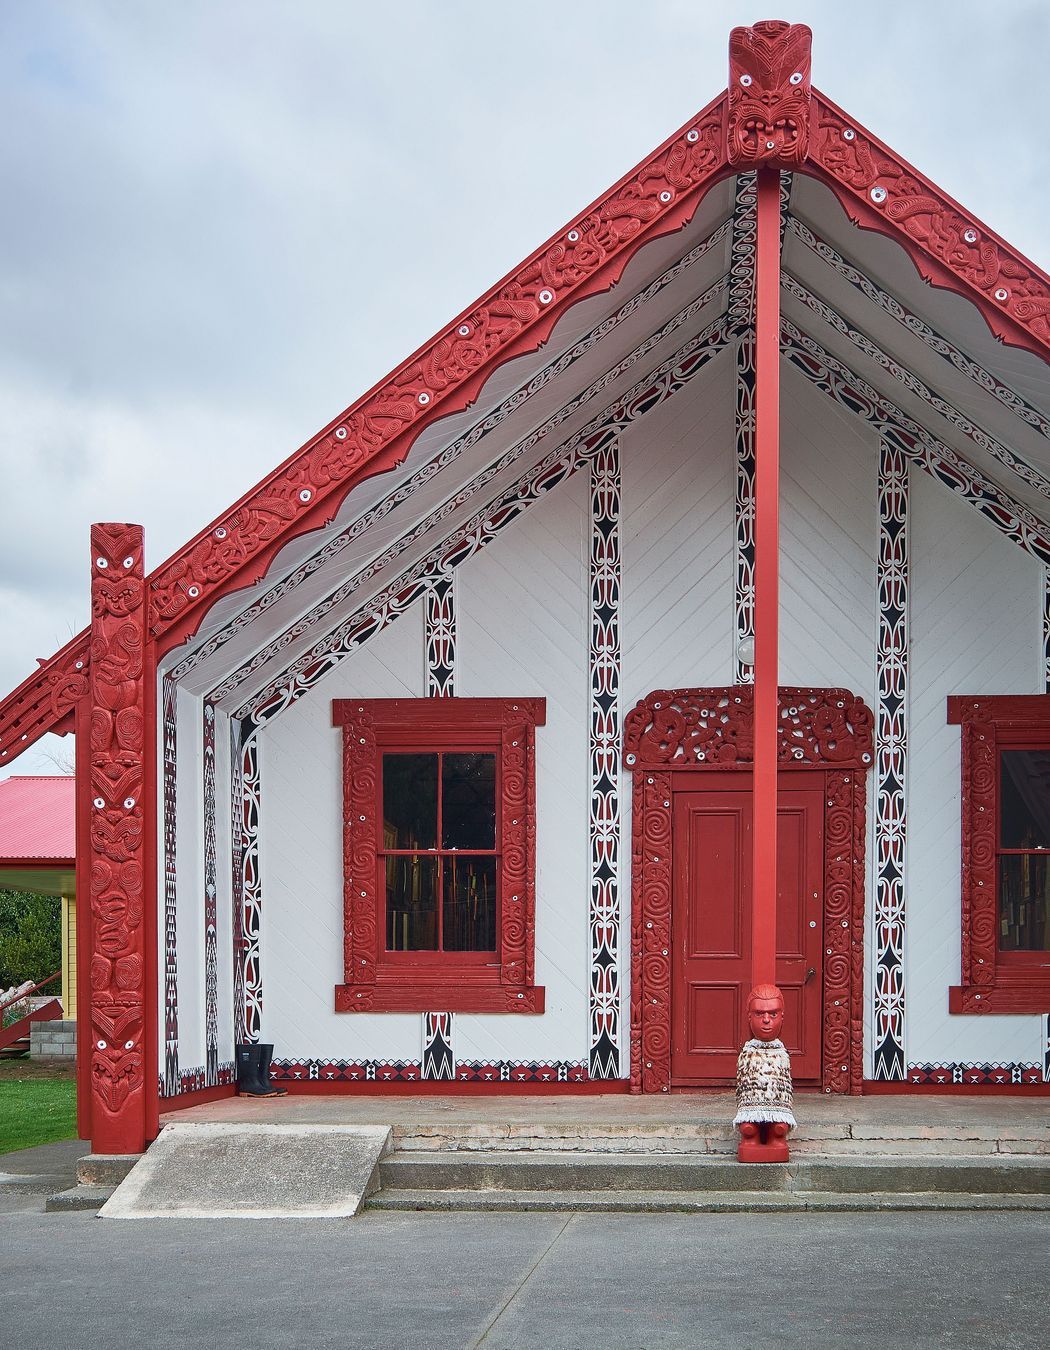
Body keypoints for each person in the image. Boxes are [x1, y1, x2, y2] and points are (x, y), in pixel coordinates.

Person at [734, 983, 794, 1162]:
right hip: (750, 1113)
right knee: (748, 1129)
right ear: (749, 1017)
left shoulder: (782, 1055)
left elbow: (786, 1092)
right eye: (759, 1014)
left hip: (777, 1114)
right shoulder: (747, 1054)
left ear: (782, 1017)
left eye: (773, 1014)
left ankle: (775, 1136)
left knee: (779, 1129)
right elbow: (742, 1092)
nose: (766, 1020)